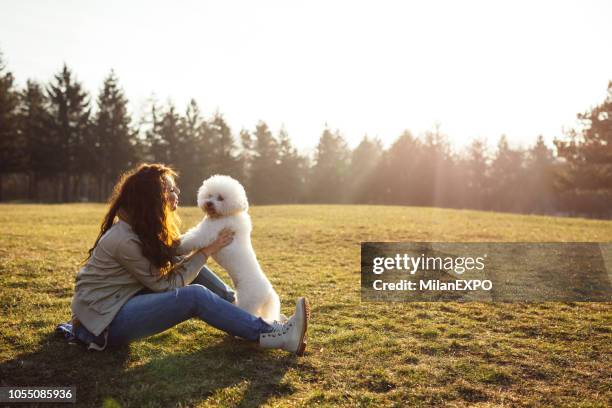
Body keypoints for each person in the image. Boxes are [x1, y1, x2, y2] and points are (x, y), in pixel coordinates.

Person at [69, 163, 309, 355]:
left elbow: (173, 255)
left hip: (114, 306)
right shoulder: (125, 239)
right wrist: (206, 250)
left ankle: (244, 314)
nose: (177, 193)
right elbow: (163, 285)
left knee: (189, 264)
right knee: (195, 295)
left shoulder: (141, 226)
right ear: (152, 197)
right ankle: (275, 335)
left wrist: (200, 253)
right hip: (102, 325)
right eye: (170, 190)